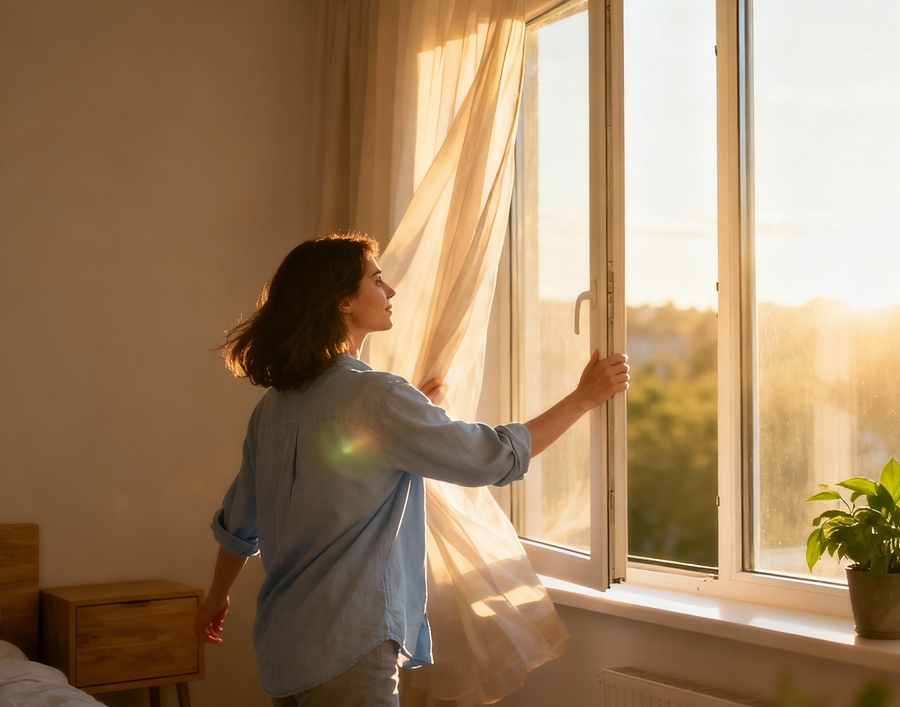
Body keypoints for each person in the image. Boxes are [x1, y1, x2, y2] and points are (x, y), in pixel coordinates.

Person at [196, 231, 628, 706]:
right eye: (377, 280)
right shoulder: (378, 398)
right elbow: (491, 458)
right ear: (343, 300)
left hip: (283, 649)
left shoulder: (274, 407)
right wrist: (582, 399)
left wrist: (217, 596)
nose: (391, 290)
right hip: (348, 646)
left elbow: (240, 523)